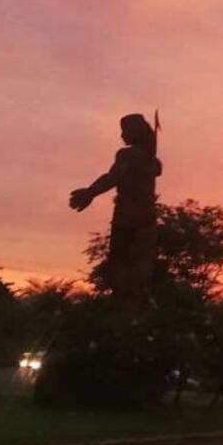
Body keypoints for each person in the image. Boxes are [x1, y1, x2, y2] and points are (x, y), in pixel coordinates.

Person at [69, 113, 162, 306]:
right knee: (140, 274)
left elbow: (113, 177)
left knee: (121, 271)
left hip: (127, 220)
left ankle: (124, 311)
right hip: (147, 220)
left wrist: (90, 192)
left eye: (124, 130)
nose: (121, 135)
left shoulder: (129, 155)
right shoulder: (152, 161)